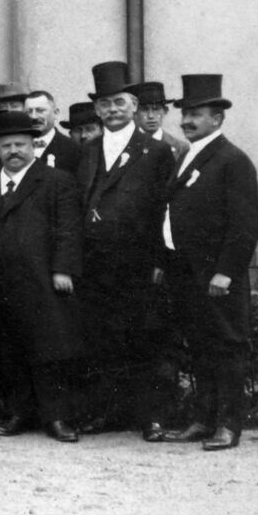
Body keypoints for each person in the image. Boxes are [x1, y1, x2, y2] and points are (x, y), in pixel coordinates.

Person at [0, 110, 87, 442]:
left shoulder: (56, 181)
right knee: (7, 350)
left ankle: (56, 417)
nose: (13, 151)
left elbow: (69, 229)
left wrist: (63, 268)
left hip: (40, 282)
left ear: (33, 145)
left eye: (20, 145)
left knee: (48, 350)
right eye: (6, 145)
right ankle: (18, 412)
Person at [155, 75, 258, 451]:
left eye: (196, 114)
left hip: (216, 276)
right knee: (200, 346)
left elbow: (245, 224)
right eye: (185, 114)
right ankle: (203, 420)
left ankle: (228, 426)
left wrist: (226, 272)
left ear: (217, 118)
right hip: (186, 272)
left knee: (227, 347)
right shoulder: (188, 155)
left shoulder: (233, 160)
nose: (186, 121)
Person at [71, 61, 176, 436]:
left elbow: (165, 210)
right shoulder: (87, 151)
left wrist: (160, 259)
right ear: (97, 110)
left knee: (144, 338)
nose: (112, 110)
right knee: (102, 339)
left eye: (119, 102)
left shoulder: (156, 152)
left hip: (138, 262)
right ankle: (108, 412)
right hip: (95, 263)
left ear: (134, 106)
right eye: (105, 104)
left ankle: (152, 416)